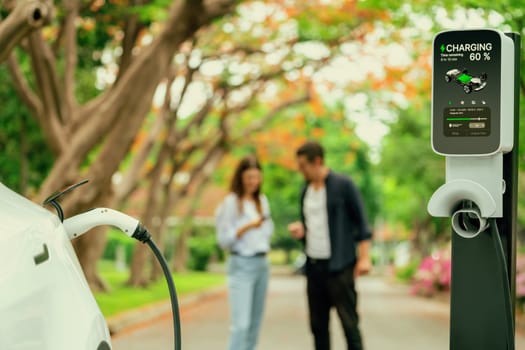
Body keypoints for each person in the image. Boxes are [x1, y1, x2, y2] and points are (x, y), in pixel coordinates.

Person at [287, 141, 372, 350]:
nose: (301, 171)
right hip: (314, 267)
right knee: (318, 327)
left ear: (317, 161)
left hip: (340, 267)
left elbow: (361, 223)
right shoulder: (305, 191)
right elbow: (313, 225)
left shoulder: (344, 185)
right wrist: (302, 231)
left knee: (349, 324)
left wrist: (364, 257)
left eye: (303, 166)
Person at [215, 155, 274, 350]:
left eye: (257, 177)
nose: (253, 182)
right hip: (241, 264)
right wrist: (247, 226)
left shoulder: (262, 201)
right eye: (249, 177)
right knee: (241, 325)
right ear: (240, 177)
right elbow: (224, 240)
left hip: (262, 264)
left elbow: (267, 232)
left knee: (254, 326)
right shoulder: (231, 203)